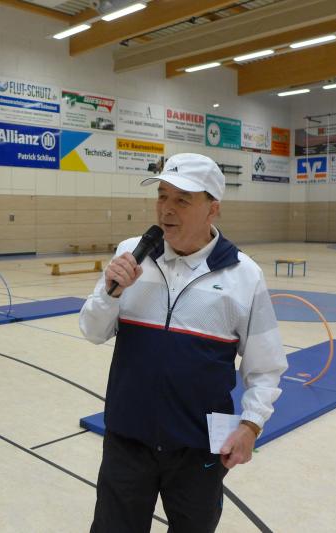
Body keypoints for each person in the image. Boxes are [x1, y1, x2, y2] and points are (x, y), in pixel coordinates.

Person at [79, 153, 287, 533]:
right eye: (162, 196)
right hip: (127, 440)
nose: (166, 209)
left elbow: (266, 366)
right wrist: (111, 293)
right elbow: (92, 331)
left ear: (213, 209)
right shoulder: (132, 254)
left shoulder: (244, 275)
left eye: (182, 199)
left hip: (199, 449)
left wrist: (251, 425)